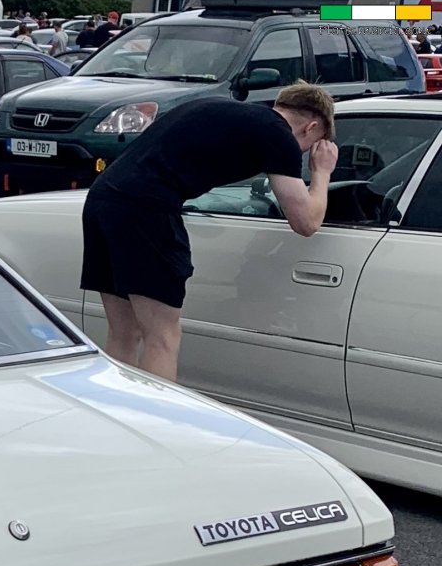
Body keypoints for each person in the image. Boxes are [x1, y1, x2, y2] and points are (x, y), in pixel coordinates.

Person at [80, 84, 338, 382]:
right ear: (312, 127)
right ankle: (155, 423)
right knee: (163, 337)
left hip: (103, 198)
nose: (304, 154)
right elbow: (306, 222)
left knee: (125, 333)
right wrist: (322, 173)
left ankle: (117, 416)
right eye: (311, 147)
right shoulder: (278, 135)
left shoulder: (224, 110)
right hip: (146, 209)